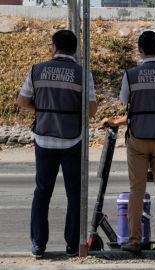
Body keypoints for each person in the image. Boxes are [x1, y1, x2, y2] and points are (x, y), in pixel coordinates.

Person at [16, 30, 97, 258]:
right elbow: (90, 110)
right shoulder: (83, 74)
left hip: (44, 138)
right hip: (72, 141)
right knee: (74, 194)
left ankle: (38, 245)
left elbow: (22, 101)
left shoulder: (37, 70)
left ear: (54, 47)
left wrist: (41, 110)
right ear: (75, 49)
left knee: (42, 192)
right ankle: (72, 245)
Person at [100, 31, 155, 253]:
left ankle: (134, 241)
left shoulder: (131, 74)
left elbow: (125, 100)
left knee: (137, 189)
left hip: (139, 138)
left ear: (140, 50)